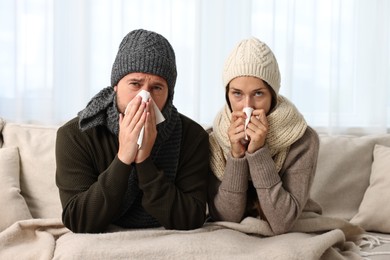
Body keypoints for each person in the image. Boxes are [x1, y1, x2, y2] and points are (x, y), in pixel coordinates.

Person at [56, 29, 209, 233]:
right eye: (135, 84)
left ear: (169, 95)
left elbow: (191, 218)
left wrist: (144, 161)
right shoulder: (76, 134)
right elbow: (79, 220)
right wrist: (124, 158)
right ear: (116, 86)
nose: (144, 97)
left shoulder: (192, 136)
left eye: (157, 88)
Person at [208, 37, 322, 235]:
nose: (247, 106)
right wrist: (236, 156)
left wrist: (259, 152)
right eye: (237, 94)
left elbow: (282, 222)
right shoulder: (213, 139)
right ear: (227, 95)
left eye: (258, 94)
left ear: (273, 95)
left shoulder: (303, 140)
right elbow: (226, 219)